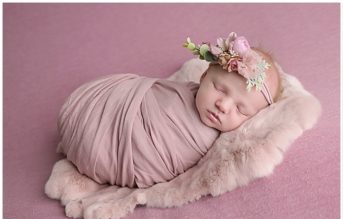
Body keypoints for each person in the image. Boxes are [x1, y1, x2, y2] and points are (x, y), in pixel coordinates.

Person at [57, 32, 281, 188]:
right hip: (93, 109)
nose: (223, 105)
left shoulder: (216, 145)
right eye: (219, 88)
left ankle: (92, 145)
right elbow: (144, 92)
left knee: (108, 146)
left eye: (241, 110)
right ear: (203, 77)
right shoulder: (178, 91)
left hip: (114, 156)